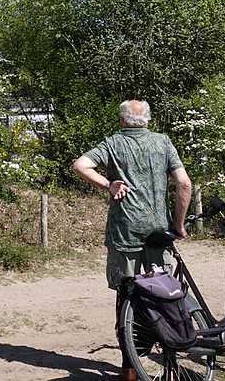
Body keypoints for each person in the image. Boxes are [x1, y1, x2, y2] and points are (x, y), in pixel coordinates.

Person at [72, 100, 192, 381]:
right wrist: (178, 225)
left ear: (123, 120)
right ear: (147, 120)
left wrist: (107, 184)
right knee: (161, 292)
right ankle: (169, 350)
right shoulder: (163, 143)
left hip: (124, 232)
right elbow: (184, 184)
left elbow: (80, 165)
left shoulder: (113, 143)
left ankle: (129, 370)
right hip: (157, 232)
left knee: (126, 297)